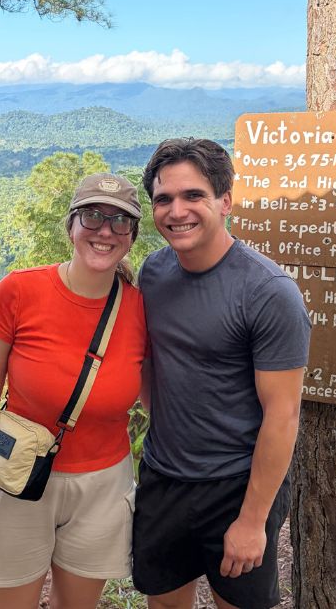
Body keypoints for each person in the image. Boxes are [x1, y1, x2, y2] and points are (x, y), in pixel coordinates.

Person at [132, 138, 311, 609]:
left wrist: (253, 520)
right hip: (164, 477)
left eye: (194, 195)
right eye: (164, 199)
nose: (177, 211)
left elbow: (283, 415)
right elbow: (153, 365)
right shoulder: (154, 272)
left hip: (237, 486)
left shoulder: (268, 292)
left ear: (225, 201)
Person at [0, 172, 148, 609]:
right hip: (16, 476)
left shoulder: (140, 307)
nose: (105, 231)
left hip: (103, 485)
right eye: (93, 216)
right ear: (71, 226)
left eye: (120, 222)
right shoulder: (20, 291)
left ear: (132, 237)